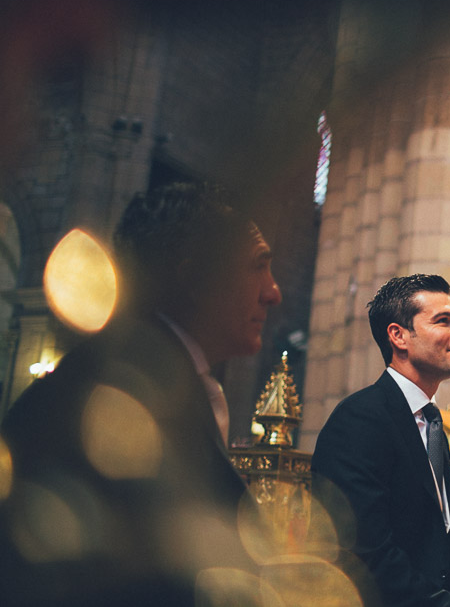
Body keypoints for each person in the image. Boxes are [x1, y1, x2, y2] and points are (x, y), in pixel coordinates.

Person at [0, 181, 283, 606]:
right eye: (258, 266)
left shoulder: (164, 376)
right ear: (194, 277)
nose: (273, 292)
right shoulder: (123, 395)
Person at [311, 274, 450, 607]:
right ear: (398, 336)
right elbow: (368, 556)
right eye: (444, 321)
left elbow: (449, 558)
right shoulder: (359, 420)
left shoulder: (433, 422)